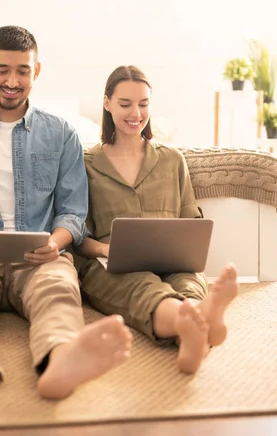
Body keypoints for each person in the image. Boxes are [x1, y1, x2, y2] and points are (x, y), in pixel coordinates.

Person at [0, 27, 132, 402]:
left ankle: (62, 359)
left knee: (59, 293)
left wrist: (55, 242)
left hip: (40, 257)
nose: (12, 81)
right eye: (2, 70)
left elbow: (72, 213)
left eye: (22, 71)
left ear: (37, 71)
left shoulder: (62, 133)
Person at [75, 65, 239, 374]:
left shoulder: (172, 160)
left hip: (172, 262)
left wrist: (189, 252)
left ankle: (195, 326)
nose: (135, 113)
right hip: (110, 266)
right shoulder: (86, 164)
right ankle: (196, 322)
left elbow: (191, 223)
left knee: (190, 281)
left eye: (143, 104)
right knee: (143, 288)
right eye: (125, 104)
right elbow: (77, 238)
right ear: (107, 103)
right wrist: (106, 250)